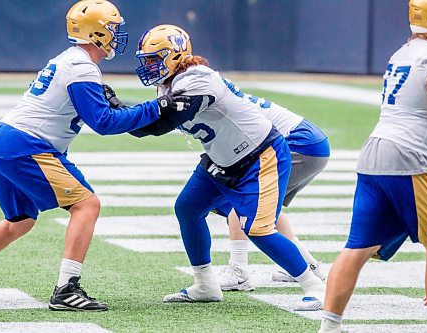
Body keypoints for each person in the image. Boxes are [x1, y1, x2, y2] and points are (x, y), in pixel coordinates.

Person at [0, 0, 189, 312]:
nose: (116, 34)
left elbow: (96, 114)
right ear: (96, 32)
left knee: (20, 221)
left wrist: (129, 107)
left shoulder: (71, 60)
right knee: (87, 205)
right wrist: (157, 107)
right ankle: (66, 289)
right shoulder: (81, 66)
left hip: (3, 140)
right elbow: (104, 123)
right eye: (111, 28)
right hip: (25, 144)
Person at [127, 24, 326, 310]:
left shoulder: (197, 79)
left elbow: (157, 125)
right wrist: (113, 113)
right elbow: (147, 123)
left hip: (259, 156)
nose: (148, 66)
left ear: (174, 55)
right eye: (146, 60)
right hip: (222, 159)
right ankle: (206, 284)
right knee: (188, 207)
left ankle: (315, 286)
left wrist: (113, 114)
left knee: (258, 228)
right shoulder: (169, 83)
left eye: (153, 59)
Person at [318, 0, 427, 331]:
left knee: (357, 248)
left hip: (375, 156)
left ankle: (328, 326)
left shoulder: (402, 53)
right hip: (409, 157)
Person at [211, 94, 329, 291]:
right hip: (310, 142)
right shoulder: (216, 90)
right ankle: (308, 264)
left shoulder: (210, 98)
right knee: (265, 207)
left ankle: (238, 270)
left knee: (243, 200)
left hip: (297, 142)